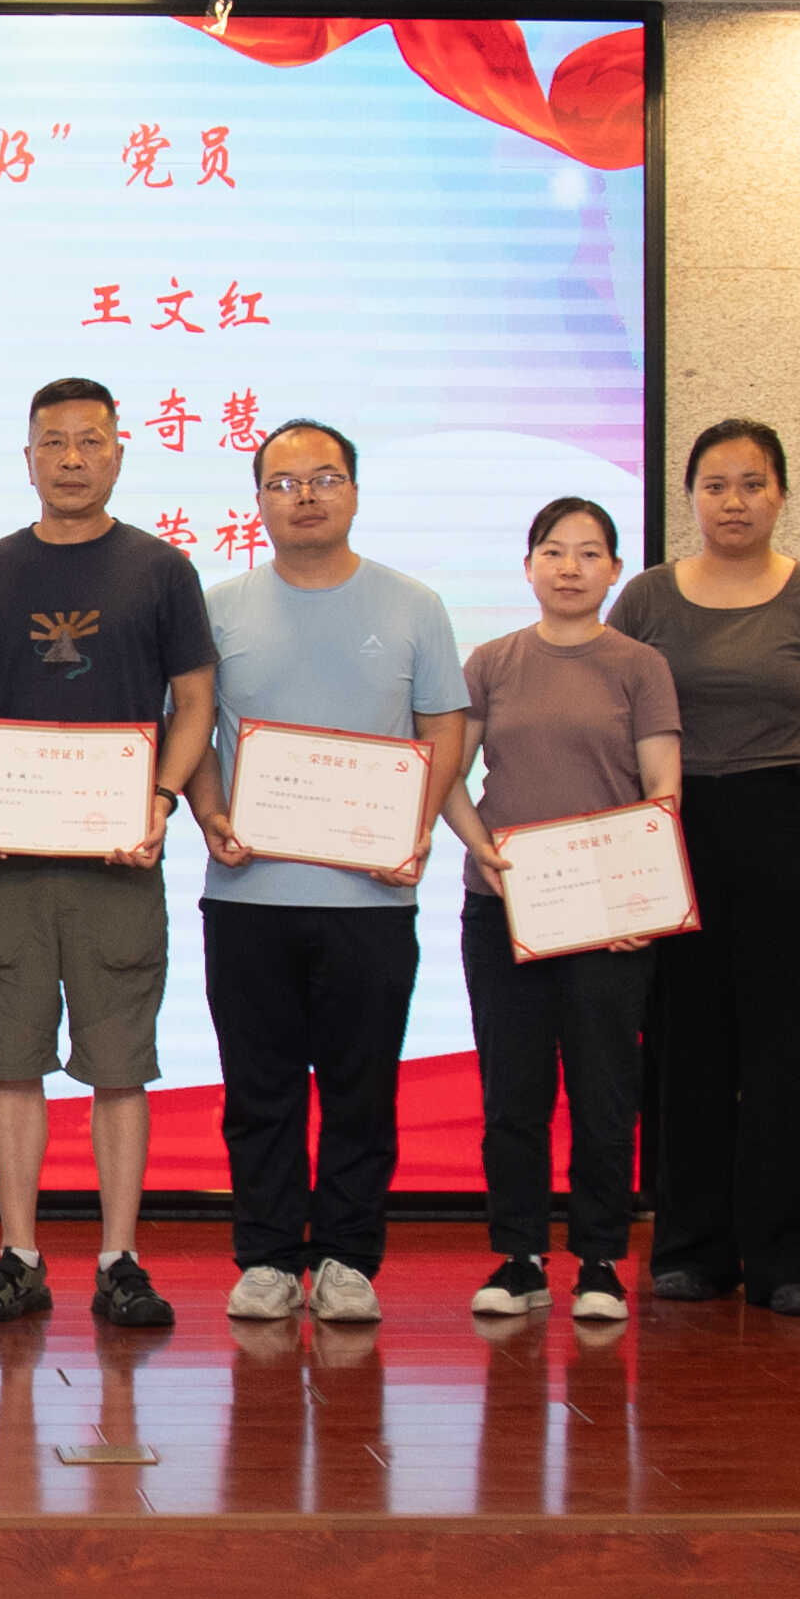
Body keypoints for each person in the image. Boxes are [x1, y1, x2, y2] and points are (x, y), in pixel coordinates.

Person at [0, 378, 218, 1331]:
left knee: (118, 1063)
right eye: (51, 441)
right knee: (11, 1060)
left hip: (118, 857)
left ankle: (119, 1257)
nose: (70, 458)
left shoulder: (161, 569)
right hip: (8, 857)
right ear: (26, 459)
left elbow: (194, 701)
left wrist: (161, 799)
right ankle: (18, 1254)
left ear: (118, 453)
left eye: (88, 440)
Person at [185, 420, 465, 1325]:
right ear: (257, 501)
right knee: (257, 1087)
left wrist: (415, 825)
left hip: (370, 896)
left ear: (353, 490)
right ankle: (267, 1256)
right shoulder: (219, 606)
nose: (304, 496)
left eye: (324, 477)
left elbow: (443, 725)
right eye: (283, 482)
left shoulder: (413, 604)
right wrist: (210, 814)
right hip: (248, 894)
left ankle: (347, 1257)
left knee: (361, 1086)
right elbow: (192, 728)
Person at [610, 419, 800, 1317]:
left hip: (786, 824)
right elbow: (612, 708)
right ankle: (691, 1247)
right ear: (690, 496)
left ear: (781, 494)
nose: (734, 501)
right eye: (715, 485)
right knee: (684, 1040)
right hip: (674, 831)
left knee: (790, 1043)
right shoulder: (646, 597)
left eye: (752, 483)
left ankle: (792, 1257)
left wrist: (793, 809)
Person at [443, 495, 677, 1326]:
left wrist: (648, 891)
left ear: (614, 569)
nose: (569, 567)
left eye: (587, 552)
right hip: (504, 906)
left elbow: (662, 787)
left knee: (604, 1091)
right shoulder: (491, 661)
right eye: (552, 550)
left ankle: (601, 1260)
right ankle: (518, 1256)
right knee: (513, 1092)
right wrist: (480, 846)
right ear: (527, 565)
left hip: (608, 914)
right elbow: (446, 773)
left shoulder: (638, 666)